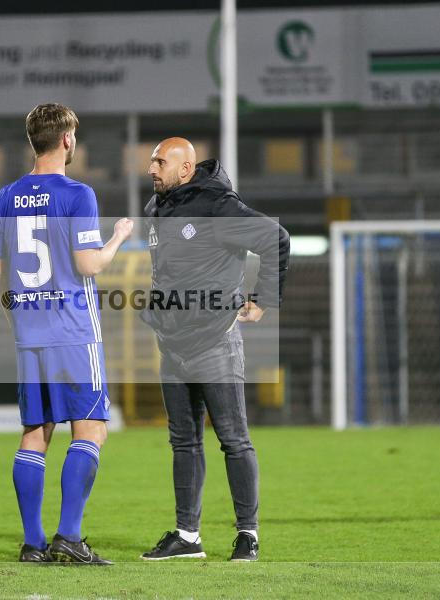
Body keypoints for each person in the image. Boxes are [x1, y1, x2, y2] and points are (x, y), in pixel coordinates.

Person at [0, 103, 133, 564]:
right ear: (67, 140)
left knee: (35, 433)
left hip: (29, 333)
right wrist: (117, 238)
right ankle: (69, 535)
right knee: (89, 429)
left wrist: (18, 321)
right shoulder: (78, 194)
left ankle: (33, 544)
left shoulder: (5, 196)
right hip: (73, 333)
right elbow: (87, 264)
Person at [139, 137, 289, 562]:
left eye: (160, 162)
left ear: (186, 169)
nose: (152, 168)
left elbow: (275, 237)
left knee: (233, 440)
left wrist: (263, 299)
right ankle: (188, 537)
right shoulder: (155, 208)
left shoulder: (216, 205)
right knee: (183, 442)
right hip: (172, 345)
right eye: (151, 161)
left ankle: (248, 535)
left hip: (215, 342)